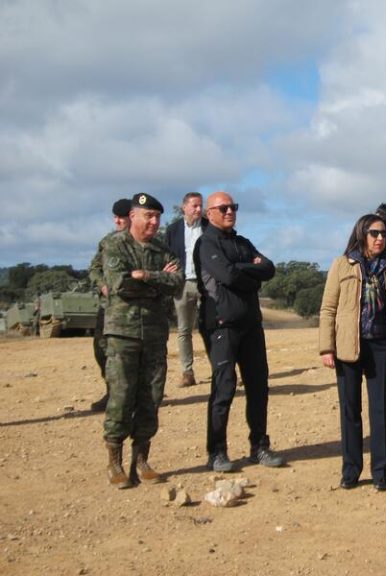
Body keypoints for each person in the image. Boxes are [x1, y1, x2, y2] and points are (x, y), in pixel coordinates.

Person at [194, 191, 285, 472]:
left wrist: (241, 270)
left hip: (251, 324)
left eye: (233, 207)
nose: (230, 211)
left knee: (259, 386)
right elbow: (227, 276)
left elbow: (269, 269)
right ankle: (216, 452)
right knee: (224, 388)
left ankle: (260, 446)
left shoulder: (242, 242)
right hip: (222, 325)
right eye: (223, 208)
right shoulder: (206, 243)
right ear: (209, 213)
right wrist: (249, 273)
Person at [319, 214, 386, 491]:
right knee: (350, 410)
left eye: (384, 233)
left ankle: (382, 473)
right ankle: (351, 471)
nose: (381, 238)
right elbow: (328, 309)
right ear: (361, 234)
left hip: (381, 345)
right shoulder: (341, 264)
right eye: (374, 233)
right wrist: (326, 346)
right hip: (348, 345)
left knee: (381, 410)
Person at [101, 193, 183, 488]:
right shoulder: (115, 244)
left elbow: (176, 283)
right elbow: (119, 284)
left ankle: (141, 459)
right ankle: (115, 462)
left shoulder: (162, 249)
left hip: (154, 333)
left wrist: (145, 275)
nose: (153, 222)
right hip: (122, 334)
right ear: (132, 216)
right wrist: (157, 279)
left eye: (157, 217)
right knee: (122, 396)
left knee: (151, 397)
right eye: (148, 216)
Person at [88, 198, 132, 412]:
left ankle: (134, 394)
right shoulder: (107, 241)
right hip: (107, 306)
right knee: (100, 348)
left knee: (130, 352)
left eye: (121, 218)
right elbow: (95, 268)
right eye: (115, 217)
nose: (117, 221)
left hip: (132, 307)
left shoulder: (145, 242)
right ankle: (112, 392)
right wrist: (101, 283)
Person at [165, 192, 207, 387]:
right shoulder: (172, 230)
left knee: (213, 327)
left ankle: (222, 369)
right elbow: (166, 255)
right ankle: (187, 372)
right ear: (184, 207)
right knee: (183, 330)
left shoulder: (209, 227)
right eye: (195, 206)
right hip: (182, 285)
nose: (199, 209)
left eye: (200, 206)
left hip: (206, 284)